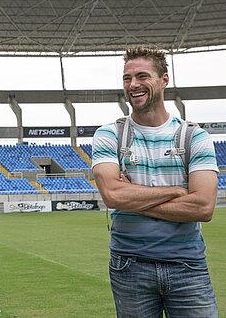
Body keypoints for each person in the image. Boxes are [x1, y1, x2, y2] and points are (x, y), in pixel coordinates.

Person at [92, 46, 219, 317]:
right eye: (127, 78)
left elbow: (203, 207)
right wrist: (176, 191)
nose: (133, 84)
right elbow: (113, 196)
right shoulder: (109, 135)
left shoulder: (195, 137)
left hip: (188, 266)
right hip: (129, 266)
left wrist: (132, 197)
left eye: (142, 76)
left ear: (164, 80)